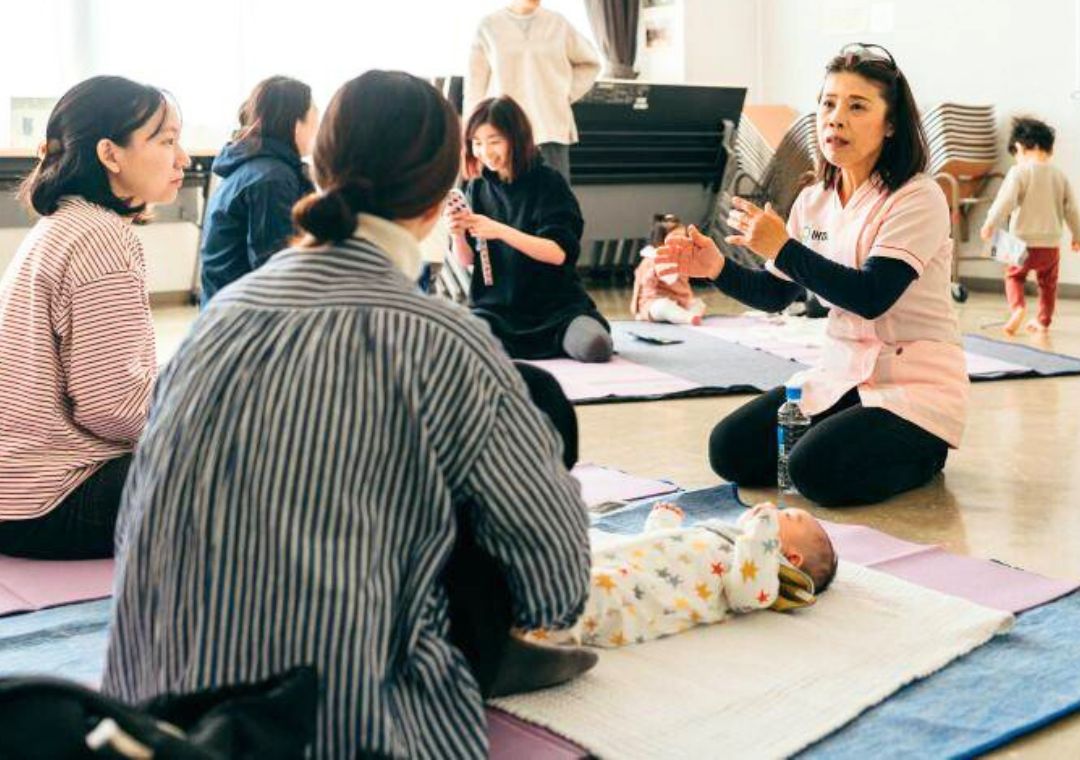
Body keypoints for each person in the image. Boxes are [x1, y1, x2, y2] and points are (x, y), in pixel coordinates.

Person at [103, 71, 592, 760]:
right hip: (341, 730)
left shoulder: (216, 322)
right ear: (437, 190)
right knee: (524, 413)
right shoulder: (442, 342)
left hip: (147, 710)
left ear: (320, 165)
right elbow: (557, 588)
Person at [659, 44, 966, 508]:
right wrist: (715, 268)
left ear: (890, 125)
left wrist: (783, 246)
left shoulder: (917, 196)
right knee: (730, 450)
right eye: (828, 103)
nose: (835, 118)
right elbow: (776, 294)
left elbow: (872, 296)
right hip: (842, 374)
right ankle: (849, 433)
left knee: (815, 473)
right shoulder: (813, 198)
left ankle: (925, 451)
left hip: (913, 384)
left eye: (856, 106)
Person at [0, 76, 188, 559]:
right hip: (52, 501)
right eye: (167, 142)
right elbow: (109, 405)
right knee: (260, 459)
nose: (182, 159)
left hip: (17, 496)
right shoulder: (103, 238)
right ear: (110, 154)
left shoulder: (65, 223)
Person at [537, 501, 835, 649]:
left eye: (789, 516)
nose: (777, 510)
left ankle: (533, 641)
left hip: (636, 597)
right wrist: (663, 524)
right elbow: (665, 552)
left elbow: (747, 594)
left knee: (592, 593)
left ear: (791, 556)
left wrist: (762, 533)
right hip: (628, 564)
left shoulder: (762, 575)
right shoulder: (726, 536)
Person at [451, 95, 613, 363]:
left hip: (557, 310)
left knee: (595, 346)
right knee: (457, 344)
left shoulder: (549, 182)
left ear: (516, 139)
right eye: (477, 143)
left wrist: (500, 230)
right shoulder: (477, 188)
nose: (485, 151)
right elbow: (467, 260)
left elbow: (559, 253)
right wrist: (457, 233)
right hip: (497, 312)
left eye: (494, 141)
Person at [465, 0, 602, 182]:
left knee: (555, 202)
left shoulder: (557, 23)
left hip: (549, 128)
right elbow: (475, 85)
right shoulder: (489, 26)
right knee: (505, 202)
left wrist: (564, 92)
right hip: (502, 132)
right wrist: (471, 134)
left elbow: (590, 63)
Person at [199, 75, 318, 304]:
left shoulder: (256, 167)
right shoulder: (272, 179)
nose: (317, 130)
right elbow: (275, 271)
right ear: (295, 124)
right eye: (314, 120)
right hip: (240, 318)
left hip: (224, 308)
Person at [979, 116, 1080, 335]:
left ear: (1019, 148)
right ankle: (1043, 320)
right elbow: (1072, 209)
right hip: (1050, 243)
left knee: (1013, 276)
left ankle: (1018, 308)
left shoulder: (1019, 172)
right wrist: (1077, 236)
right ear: (1049, 150)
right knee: (1048, 284)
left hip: (1019, 240)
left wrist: (990, 224)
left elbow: (1004, 202)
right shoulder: (1059, 175)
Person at [631, 213, 708, 325]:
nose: (681, 242)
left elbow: (683, 286)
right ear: (661, 241)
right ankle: (688, 318)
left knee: (699, 304)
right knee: (662, 307)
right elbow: (641, 285)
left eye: (684, 237)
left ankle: (687, 315)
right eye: (676, 238)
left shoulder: (681, 258)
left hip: (681, 301)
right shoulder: (652, 259)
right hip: (654, 301)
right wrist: (636, 308)